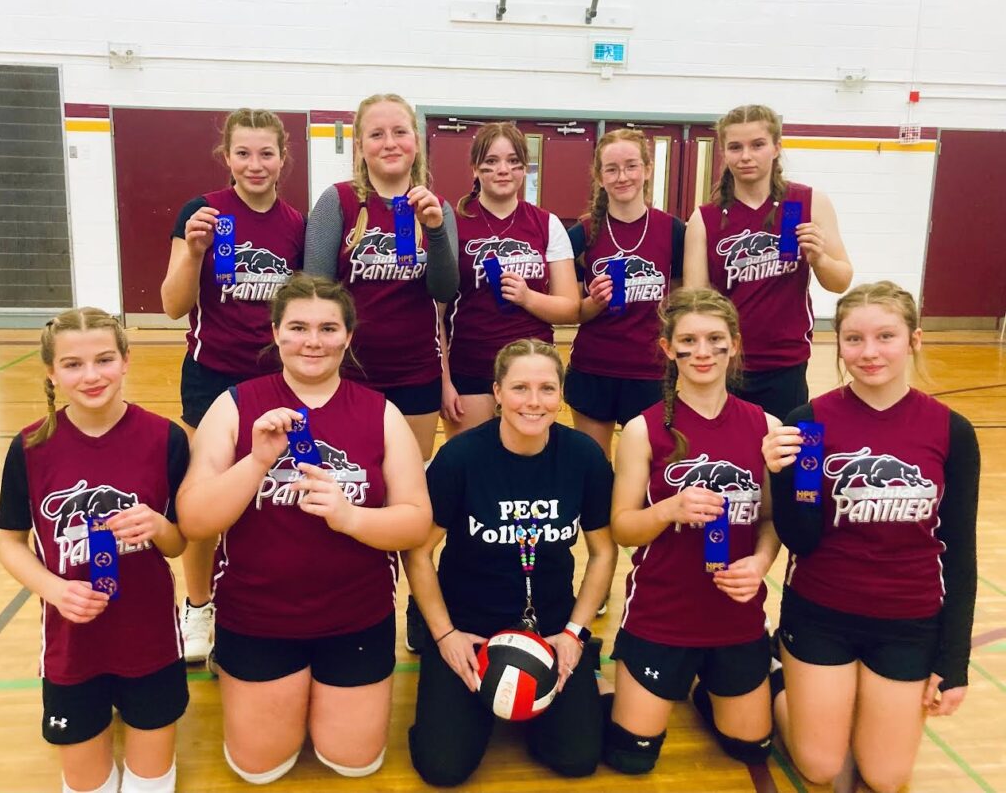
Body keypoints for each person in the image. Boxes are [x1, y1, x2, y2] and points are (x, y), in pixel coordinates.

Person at [175, 274, 431, 784]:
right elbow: (195, 519)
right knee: (260, 770)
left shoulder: (381, 412)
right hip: (259, 618)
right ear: (274, 333)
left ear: (348, 337)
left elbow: (416, 521)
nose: (313, 341)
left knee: (353, 763)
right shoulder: (234, 406)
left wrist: (350, 517)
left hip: (357, 617)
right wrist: (257, 461)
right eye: (297, 327)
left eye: (328, 328)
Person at [762, 281, 979, 792]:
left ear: (914, 340)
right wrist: (784, 477)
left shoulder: (952, 430)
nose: (870, 352)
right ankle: (776, 684)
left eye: (885, 336)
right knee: (821, 769)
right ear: (837, 344)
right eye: (854, 339)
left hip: (908, 621)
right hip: (822, 614)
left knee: (883, 777)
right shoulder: (810, 424)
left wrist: (954, 661)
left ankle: (850, 704)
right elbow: (803, 540)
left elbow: (961, 555)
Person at [404, 339, 617, 786]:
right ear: (497, 393)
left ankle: (582, 676)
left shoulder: (584, 456)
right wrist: (444, 635)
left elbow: (603, 553)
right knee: (443, 768)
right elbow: (418, 552)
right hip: (468, 627)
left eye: (547, 388)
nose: (534, 402)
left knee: (576, 759)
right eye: (520, 387)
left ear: (561, 394)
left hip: (551, 628)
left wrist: (576, 635)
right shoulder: (460, 458)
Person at [0, 308, 189, 793]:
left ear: (126, 361)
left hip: (149, 639)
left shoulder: (165, 439)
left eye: (104, 359)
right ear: (51, 371)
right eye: (73, 364)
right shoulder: (29, 448)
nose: (91, 375)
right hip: (72, 644)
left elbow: (181, 541)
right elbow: (10, 545)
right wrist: (54, 589)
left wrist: (160, 525)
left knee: (150, 785)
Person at [605, 288, 779, 774]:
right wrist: (668, 509)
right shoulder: (643, 430)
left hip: (735, 615)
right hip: (662, 615)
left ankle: (721, 687)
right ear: (667, 348)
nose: (702, 352)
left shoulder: (766, 424)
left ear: (735, 345)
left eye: (714, 339)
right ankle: (616, 680)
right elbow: (622, 528)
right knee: (630, 758)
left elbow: (770, 521)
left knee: (751, 748)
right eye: (688, 340)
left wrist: (762, 562)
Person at [160, 108, 306, 664]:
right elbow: (174, 306)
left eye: (265, 153)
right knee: (205, 494)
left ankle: (257, 594)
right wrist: (194, 251)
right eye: (243, 153)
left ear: (282, 158)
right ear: (227, 157)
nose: (255, 164)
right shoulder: (202, 213)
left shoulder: (296, 224)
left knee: (273, 492)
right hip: (212, 377)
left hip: (276, 378)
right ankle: (197, 605)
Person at [304, 93, 459, 461]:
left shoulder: (439, 208)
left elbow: (444, 291)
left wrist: (434, 230)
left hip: (416, 371)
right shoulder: (336, 201)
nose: (389, 143)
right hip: (348, 371)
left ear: (416, 143)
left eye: (399, 132)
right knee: (350, 475)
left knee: (411, 474)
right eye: (376, 135)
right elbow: (315, 293)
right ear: (359, 146)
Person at [684, 104, 853, 422]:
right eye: (735, 147)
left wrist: (819, 258)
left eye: (757, 145)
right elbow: (696, 304)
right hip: (725, 362)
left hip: (785, 363)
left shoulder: (809, 202)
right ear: (724, 152)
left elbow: (841, 280)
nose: (746, 156)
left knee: (782, 459)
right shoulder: (704, 218)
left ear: (776, 147)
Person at [441, 122, 580, 439]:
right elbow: (435, 315)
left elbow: (570, 308)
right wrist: (444, 381)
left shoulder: (546, 223)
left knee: (527, 470)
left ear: (525, 169)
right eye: (491, 162)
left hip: (532, 371)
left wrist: (527, 298)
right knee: (473, 472)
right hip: (470, 368)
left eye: (513, 161)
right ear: (475, 168)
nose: (503, 170)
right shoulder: (454, 223)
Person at [566, 128, 684, 457]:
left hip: (651, 371)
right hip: (594, 369)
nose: (623, 177)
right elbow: (573, 310)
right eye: (612, 169)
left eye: (631, 166)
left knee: (645, 469)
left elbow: (679, 300)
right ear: (599, 177)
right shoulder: (583, 234)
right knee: (595, 470)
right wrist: (594, 302)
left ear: (647, 170)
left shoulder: (673, 230)